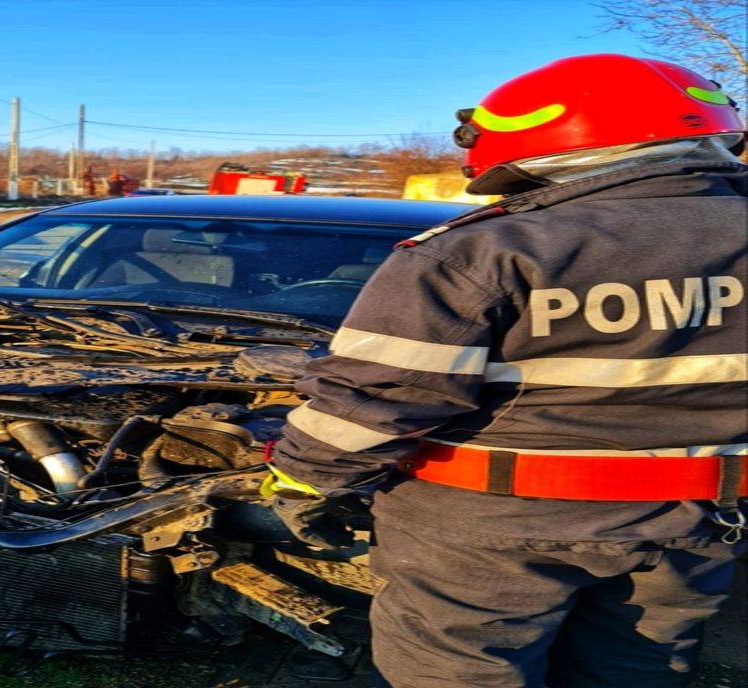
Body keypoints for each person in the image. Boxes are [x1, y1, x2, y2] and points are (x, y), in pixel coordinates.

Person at [266, 54, 747, 688]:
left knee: (460, 674)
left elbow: (377, 397)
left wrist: (304, 480)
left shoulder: (486, 250)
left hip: (491, 530)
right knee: (636, 671)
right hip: (699, 519)